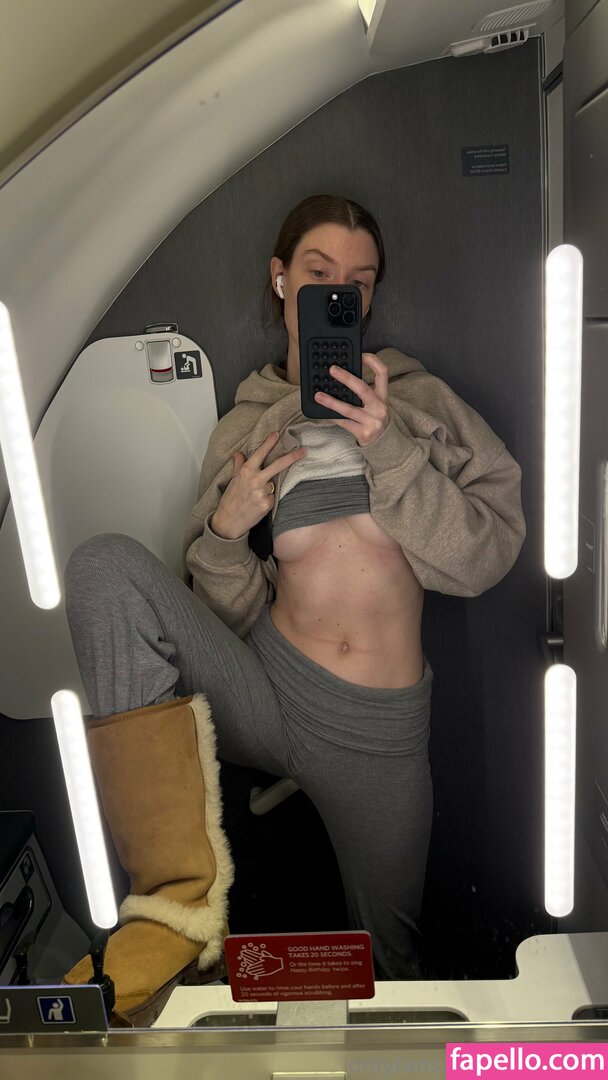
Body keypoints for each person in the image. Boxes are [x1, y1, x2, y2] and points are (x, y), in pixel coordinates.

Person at [63, 194, 526, 1023]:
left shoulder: (419, 403)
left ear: (370, 297)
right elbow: (224, 615)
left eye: (359, 280)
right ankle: (171, 902)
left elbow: (486, 557)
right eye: (318, 273)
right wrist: (225, 531)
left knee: (396, 962)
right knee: (103, 567)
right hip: (269, 690)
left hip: (378, 731)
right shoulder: (249, 425)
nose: (338, 291)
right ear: (281, 281)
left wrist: (389, 446)